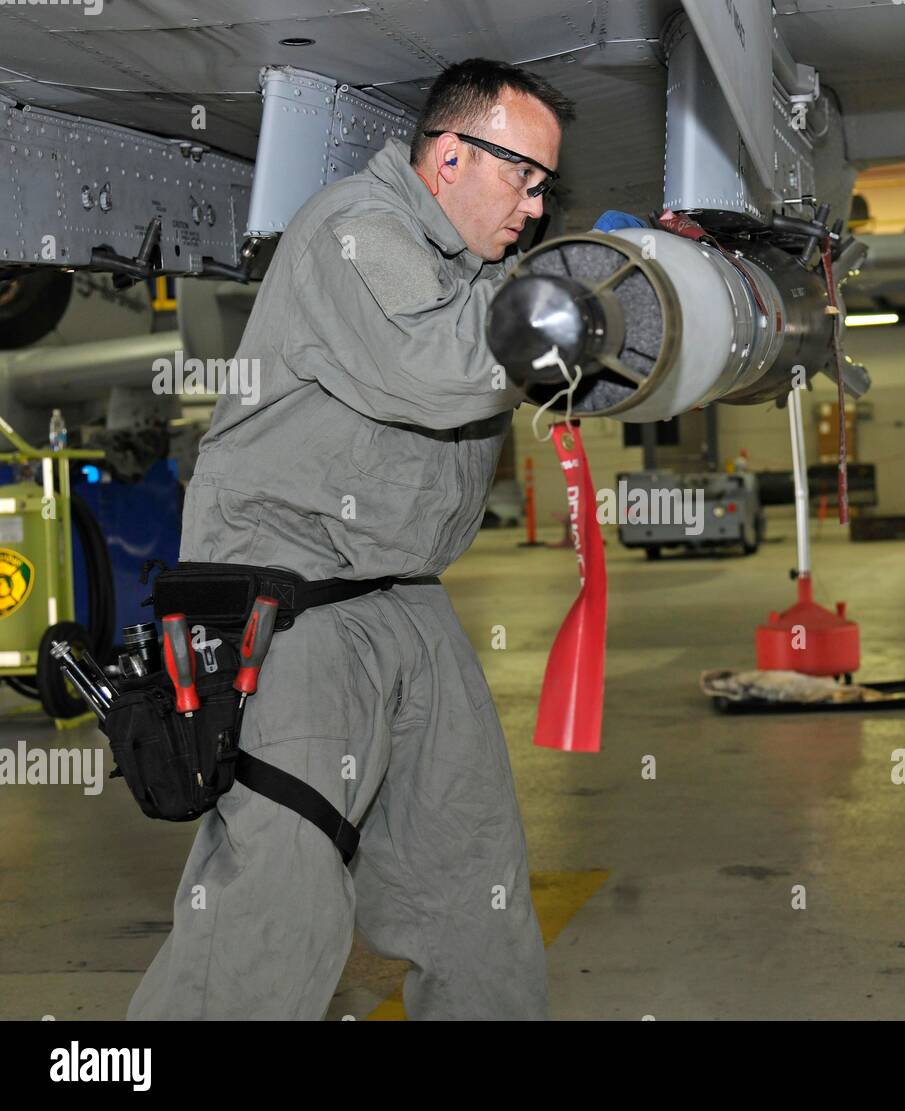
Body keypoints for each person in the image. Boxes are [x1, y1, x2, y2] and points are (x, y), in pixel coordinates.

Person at [128, 58, 574, 1020]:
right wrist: (582, 308)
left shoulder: (471, 271)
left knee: (473, 890)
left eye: (546, 186)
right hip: (294, 614)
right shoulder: (353, 230)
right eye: (525, 178)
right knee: (273, 911)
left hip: (404, 598)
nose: (536, 207)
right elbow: (436, 369)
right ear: (451, 155)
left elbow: (501, 341)